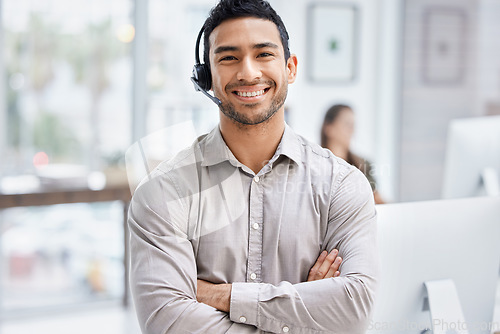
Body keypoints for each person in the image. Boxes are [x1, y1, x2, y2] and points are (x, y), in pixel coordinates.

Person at [128, 1, 378, 333]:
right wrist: (304, 309)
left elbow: (355, 312)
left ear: (290, 68)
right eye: (229, 57)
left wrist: (221, 296)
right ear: (207, 79)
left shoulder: (343, 185)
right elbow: (168, 324)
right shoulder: (161, 194)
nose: (248, 72)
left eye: (263, 54)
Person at [321, 104, 385, 204]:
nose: (351, 130)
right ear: (329, 128)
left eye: (353, 126)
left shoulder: (363, 165)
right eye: (347, 125)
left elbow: (378, 201)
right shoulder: (314, 164)